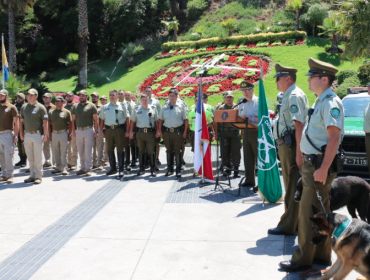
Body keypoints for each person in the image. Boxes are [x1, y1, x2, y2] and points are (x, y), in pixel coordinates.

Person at [279, 58, 344, 272]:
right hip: (313, 164)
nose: (308, 80)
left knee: (307, 213)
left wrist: (324, 169)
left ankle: (302, 259)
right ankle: (321, 255)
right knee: (320, 212)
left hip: (317, 165)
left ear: (324, 79)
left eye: (312, 77)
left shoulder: (330, 102)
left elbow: (333, 138)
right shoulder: (320, 100)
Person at [268, 64, 309, 236]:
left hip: (292, 146)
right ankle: (295, 222)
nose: (276, 82)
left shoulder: (293, 95)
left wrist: (299, 153)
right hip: (288, 144)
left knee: (292, 185)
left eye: (278, 78)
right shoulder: (289, 95)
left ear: (288, 78)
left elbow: (298, 125)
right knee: (291, 184)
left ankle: (288, 225)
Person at [20, 88, 48, 184]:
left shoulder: (41, 107)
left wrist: (45, 134)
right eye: (28, 95)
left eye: (32, 95)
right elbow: (21, 122)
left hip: (37, 134)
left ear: (36, 96)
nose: (29, 96)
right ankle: (32, 175)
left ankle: (38, 176)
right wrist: (21, 133)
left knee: (38, 156)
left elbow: (45, 122)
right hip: (27, 134)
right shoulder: (24, 107)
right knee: (30, 156)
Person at [100, 90, 130, 177]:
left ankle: (121, 169)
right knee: (109, 149)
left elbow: (127, 119)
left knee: (120, 149)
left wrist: (127, 131)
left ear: (117, 96)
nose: (112, 97)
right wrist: (101, 131)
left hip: (119, 129)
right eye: (110, 95)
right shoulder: (105, 107)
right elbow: (101, 120)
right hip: (109, 130)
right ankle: (113, 168)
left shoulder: (122, 106)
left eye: (113, 95)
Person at [159, 88, 188, 178]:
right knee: (169, 150)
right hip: (167, 132)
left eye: (173, 96)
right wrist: (160, 132)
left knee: (178, 151)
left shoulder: (181, 106)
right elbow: (160, 120)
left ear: (176, 96)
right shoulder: (164, 108)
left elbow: (186, 120)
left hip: (178, 132)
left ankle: (178, 170)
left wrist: (185, 132)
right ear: (168, 96)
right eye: (170, 96)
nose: (172, 97)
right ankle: (169, 169)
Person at [129, 94, 160, 177]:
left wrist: (158, 131)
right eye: (143, 99)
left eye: (146, 99)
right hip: (140, 133)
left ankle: (152, 169)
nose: (145, 101)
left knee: (151, 151)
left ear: (149, 100)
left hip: (150, 133)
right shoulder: (136, 109)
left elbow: (157, 121)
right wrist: (131, 132)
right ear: (140, 100)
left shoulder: (153, 108)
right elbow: (133, 122)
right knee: (141, 151)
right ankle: (141, 168)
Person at [71, 90, 99, 177]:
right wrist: (74, 131)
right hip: (79, 130)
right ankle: (82, 168)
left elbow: (96, 119)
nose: (81, 97)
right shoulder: (75, 106)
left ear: (86, 96)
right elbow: (73, 120)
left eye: (83, 95)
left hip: (88, 130)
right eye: (80, 95)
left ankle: (88, 169)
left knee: (88, 150)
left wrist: (96, 131)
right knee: (80, 150)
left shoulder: (91, 105)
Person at [238, 81, 259, 187]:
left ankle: (262, 182)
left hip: (257, 133)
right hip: (245, 132)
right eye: (243, 90)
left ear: (252, 90)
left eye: (247, 90)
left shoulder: (259, 101)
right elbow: (239, 117)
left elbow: (264, 118)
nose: (245, 92)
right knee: (247, 157)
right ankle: (249, 180)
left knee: (259, 158)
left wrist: (251, 118)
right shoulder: (242, 103)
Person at [215, 91, 241, 177]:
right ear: (225, 98)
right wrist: (216, 134)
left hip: (234, 132)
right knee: (225, 151)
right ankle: (228, 169)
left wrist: (243, 133)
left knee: (236, 151)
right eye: (227, 97)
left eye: (231, 97)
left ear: (233, 98)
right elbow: (216, 122)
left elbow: (242, 120)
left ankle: (236, 170)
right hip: (224, 132)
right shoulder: (221, 108)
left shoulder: (237, 108)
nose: (229, 99)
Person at [48, 96, 72, 175]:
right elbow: (49, 124)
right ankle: (58, 167)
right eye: (56, 101)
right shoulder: (51, 112)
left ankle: (64, 167)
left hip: (63, 133)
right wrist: (50, 134)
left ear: (62, 102)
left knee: (63, 151)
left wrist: (70, 134)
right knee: (55, 151)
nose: (57, 103)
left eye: (59, 101)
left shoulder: (66, 112)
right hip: (54, 133)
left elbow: (70, 123)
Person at [0, 89, 19, 183]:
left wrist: (16, 135)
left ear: (6, 96)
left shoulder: (12, 107)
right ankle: (3, 175)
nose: (0, 97)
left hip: (8, 134)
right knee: (1, 156)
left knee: (9, 155)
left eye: (2, 95)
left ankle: (10, 175)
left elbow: (16, 122)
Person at [144, 86, 162, 169]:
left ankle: (156, 159)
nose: (148, 93)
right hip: (144, 126)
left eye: (149, 91)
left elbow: (159, 116)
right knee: (145, 145)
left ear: (152, 92)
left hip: (154, 127)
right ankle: (147, 161)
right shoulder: (141, 101)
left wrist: (159, 129)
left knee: (156, 144)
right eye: (146, 91)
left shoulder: (156, 102)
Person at [64, 91, 78, 170]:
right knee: (68, 147)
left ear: (73, 97)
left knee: (74, 147)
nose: (69, 98)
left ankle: (74, 163)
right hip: (66, 129)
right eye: (67, 96)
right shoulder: (64, 107)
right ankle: (69, 162)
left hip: (74, 129)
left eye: (70, 96)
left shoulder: (76, 106)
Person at [91, 92, 104, 170]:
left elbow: (103, 118)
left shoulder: (102, 107)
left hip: (99, 127)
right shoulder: (89, 106)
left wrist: (102, 129)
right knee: (92, 146)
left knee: (100, 146)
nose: (93, 98)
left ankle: (100, 163)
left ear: (98, 98)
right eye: (92, 97)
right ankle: (94, 163)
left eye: (95, 97)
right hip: (90, 127)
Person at [42, 92, 56, 168]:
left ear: (51, 99)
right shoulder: (41, 107)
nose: (45, 99)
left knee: (53, 145)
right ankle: (47, 160)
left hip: (52, 128)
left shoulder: (54, 107)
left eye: (47, 97)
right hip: (44, 129)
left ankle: (55, 161)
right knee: (45, 145)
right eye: (44, 97)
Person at [14, 93, 27, 167]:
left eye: (20, 98)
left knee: (23, 145)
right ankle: (20, 159)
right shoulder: (15, 106)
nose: (18, 99)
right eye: (17, 97)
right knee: (18, 144)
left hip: (23, 128)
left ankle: (24, 160)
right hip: (16, 128)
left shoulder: (25, 106)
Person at [100, 95, 109, 165]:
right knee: (101, 144)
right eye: (101, 100)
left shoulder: (108, 108)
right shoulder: (100, 108)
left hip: (107, 127)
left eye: (104, 100)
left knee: (107, 144)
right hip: (100, 127)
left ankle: (106, 159)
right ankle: (100, 159)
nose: (103, 101)